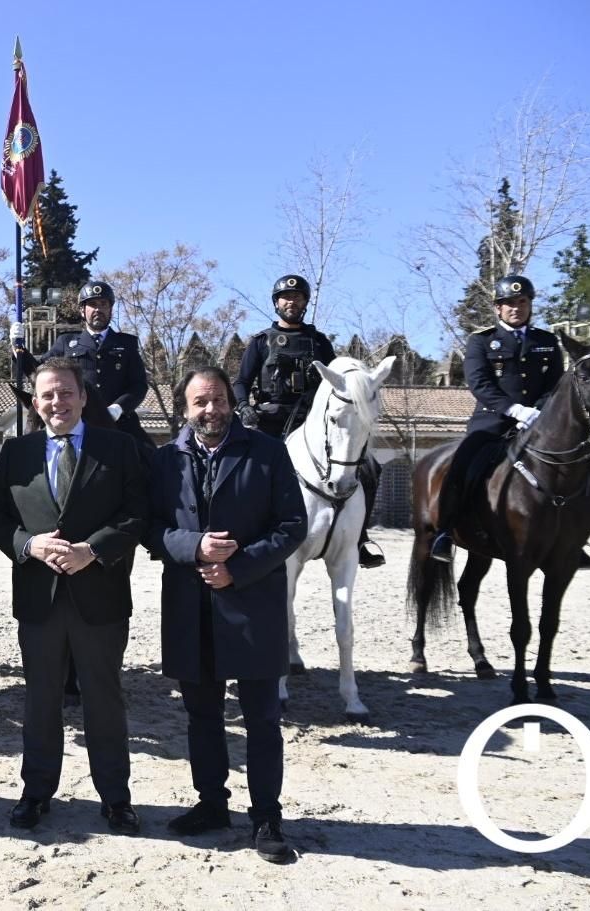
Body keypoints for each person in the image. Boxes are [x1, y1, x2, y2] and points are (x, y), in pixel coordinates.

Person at [143, 366, 307, 863]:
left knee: (261, 718)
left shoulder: (267, 451)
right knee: (202, 715)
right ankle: (212, 803)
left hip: (253, 604)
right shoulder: (164, 460)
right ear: (184, 409)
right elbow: (149, 528)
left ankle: (266, 817)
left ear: (231, 403)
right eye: (199, 402)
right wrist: (194, 547)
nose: (210, 410)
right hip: (190, 605)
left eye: (217, 400)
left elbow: (292, 525)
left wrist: (238, 567)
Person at [0, 358, 148, 834]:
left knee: (104, 700)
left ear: (82, 397)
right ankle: (36, 793)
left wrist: (92, 550)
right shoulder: (17, 453)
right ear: (36, 402)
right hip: (39, 598)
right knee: (39, 701)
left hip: (100, 597)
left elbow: (138, 513)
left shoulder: (118, 448)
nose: (58, 402)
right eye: (48, 394)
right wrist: (29, 545)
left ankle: (116, 798)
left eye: (67, 393)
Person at [234, 274, 385, 568]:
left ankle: (360, 537)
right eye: (286, 298)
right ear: (276, 303)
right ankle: (244, 533)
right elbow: (240, 381)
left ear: (305, 303)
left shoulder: (318, 342)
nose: (292, 302)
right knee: (243, 467)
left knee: (369, 467)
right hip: (271, 421)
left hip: (313, 422)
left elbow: (338, 382)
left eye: (298, 297)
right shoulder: (261, 341)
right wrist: (243, 407)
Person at [430, 275, 573, 564]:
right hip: (492, 421)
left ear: (530, 305)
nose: (515, 308)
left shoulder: (546, 341)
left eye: (522, 302)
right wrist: (515, 410)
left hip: (539, 422)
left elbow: (554, 384)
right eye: (508, 303)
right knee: (463, 464)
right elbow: (480, 383)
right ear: (498, 308)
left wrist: (537, 412)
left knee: (575, 461)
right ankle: (445, 531)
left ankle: (572, 536)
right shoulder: (481, 341)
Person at [12, 281, 150, 444]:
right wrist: (17, 346)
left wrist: (118, 408)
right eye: (92, 304)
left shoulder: (127, 343)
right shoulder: (66, 342)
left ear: (110, 309)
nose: (98, 309)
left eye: (103, 304)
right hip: (78, 424)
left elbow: (139, 385)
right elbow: (38, 372)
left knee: (151, 459)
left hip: (120, 424)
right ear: (82, 311)